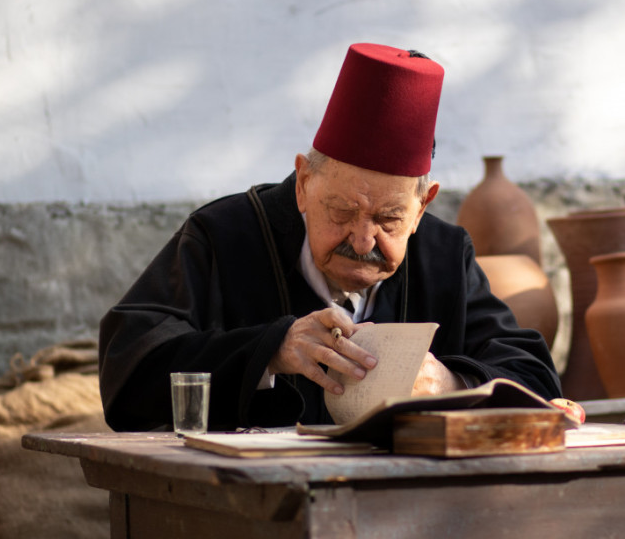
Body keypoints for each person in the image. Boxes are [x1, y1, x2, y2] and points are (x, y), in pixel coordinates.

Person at [98, 43, 562, 431]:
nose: (362, 240)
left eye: (389, 219)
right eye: (341, 211)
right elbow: (127, 369)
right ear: (303, 184)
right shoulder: (224, 237)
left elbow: (536, 380)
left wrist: (452, 385)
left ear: (422, 207)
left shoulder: (444, 257)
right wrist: (270, 349)